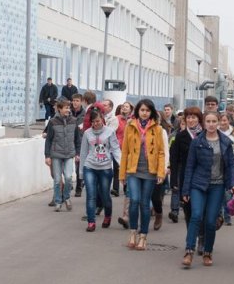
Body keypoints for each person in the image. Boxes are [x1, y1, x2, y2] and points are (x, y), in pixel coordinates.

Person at [181, 111, 234, 267]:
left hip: (217, 186)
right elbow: (190, 166)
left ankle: (207, 252)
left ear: (218, 122)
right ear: (204, 123)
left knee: (211, 221)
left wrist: (233, 183)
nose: (211, 124)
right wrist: (185, 190)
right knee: (196, 215)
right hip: (198, 184)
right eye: (208, 121)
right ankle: (189, 251)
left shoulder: (225, 142)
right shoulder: (197, 141)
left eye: (214, 121)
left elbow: (231, 165)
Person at [119, 99, 166, 251]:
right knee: (134, 200)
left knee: (145, 203)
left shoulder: (157, 129)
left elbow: (160, 152)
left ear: (151, 112)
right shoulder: (130, 126)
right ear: (137, 111)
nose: (144, 113)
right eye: (142, 110)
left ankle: (143, 237)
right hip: (133, 170)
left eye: (147, 110)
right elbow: (125, 150)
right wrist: (122, 174)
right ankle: (133, 233)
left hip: (150, 171)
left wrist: (160, 172)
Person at [80, 108, 122, 232]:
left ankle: (108, 216)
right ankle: (91, 222)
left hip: (105, 168)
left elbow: (115, 149)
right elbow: (83, 153)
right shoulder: (87, 133)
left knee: (105, 195)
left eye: (97, 121)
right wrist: (81, 172)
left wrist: (121, 164)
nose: (95, 124)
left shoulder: (109, 132)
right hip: (90, 167)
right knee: (91, 195)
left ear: (102, 120)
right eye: (93, 122)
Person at [44, 98, 81, 212]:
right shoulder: (52, 122)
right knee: (57, 180)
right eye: (66, 108)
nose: (68, 110)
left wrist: (78, 153)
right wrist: (47, 156)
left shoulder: (73, 121)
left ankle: (67, 197)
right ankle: (58, 202)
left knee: (69, 178)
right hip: (56, 155)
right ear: (59, 109)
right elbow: (48, 140)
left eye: (69, 107)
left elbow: (77, 139)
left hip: (69, 154)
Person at [168, 107, 203, 224]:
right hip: (185, 176)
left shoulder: (205, 134)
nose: (191, 120)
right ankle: (191, 236)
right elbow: (174, 158)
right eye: (188, 117)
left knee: (200, 209)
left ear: (199, 119)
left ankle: (201, 235)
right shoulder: (180, 136)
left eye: (194, 117)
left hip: (202, 175)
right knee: (188, 209)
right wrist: (174, 181)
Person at [218, 111, 234, 225]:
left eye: (225, 120)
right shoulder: (215, 131)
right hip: (217, 164)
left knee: (228, 193)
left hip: (229, 164)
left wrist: (232, 154)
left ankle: (228, 215)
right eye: (221, 120)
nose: (222, 122)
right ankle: (218, 216)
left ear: (229, 121)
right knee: (218, 192)